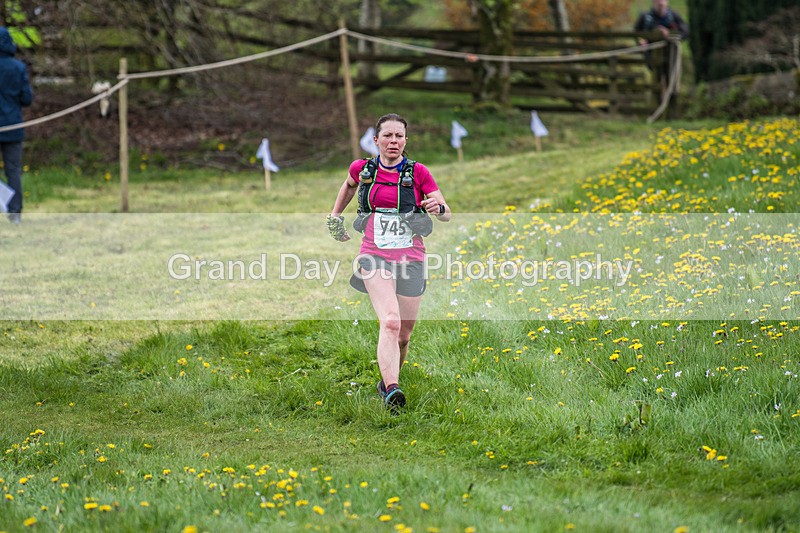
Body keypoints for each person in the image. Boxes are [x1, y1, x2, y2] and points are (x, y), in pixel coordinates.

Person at [327, 113, 450, 411]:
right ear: (376, 140)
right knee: (391, 322)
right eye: (387, 135)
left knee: (404, 336)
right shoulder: (363, 169)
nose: (393, 141)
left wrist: (437, 207)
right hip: (374, 255)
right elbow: (349, 185)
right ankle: (392, 390)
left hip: (411, 259)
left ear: (406, 140)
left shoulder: (418, 172)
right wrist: (334, 216)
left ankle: (388, 382)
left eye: (399, 136)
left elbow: (447, 213)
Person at [0, 26, 34, 224]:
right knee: (13, 171)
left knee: (13, 171)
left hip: (10, 127)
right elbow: (27, 99)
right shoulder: (18, 68)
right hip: (13, 126)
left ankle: (6, 204)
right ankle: (15, 213)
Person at [634, 0, 688, 106]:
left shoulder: (673, 16)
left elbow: (685, 32)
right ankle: (657, 104)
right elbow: (636, 32)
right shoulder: (646, 17)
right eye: (657, 1)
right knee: (656, 79)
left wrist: (672, 36)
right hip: (652, 55)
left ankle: (670, 105)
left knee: (670, 81)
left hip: (670, 55)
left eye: (662, 1)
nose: (660, 3)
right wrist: (640, 40)